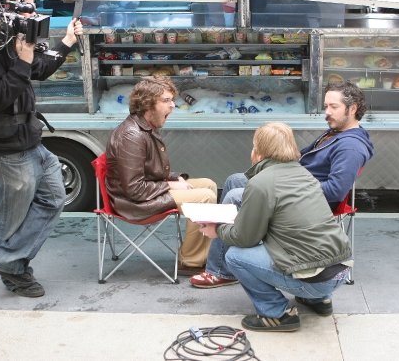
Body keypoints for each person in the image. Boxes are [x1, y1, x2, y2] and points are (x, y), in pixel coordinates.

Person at [0, 0, 84, 297]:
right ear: (6, 7)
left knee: (54, 197)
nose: (32, 15)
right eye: (27, 8)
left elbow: (40, 69)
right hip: (6, 147)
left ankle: (7, 260)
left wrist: (67, 41)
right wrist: (23, 61)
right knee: (13, 217)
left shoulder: (13, 41)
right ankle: (14, 271)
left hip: (30, 140)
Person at [191, 81, 374, 292]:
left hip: (304, 201)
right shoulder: (334, 133)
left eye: (334, 107)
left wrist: (287, 185)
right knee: (236, 180)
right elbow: (301, 158)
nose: (327, 112)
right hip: (292, 186)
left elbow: (336, 190)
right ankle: (228, 253)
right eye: (326, 106)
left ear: (352, 109)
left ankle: (220, 271)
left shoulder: (351, 146)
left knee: (234, 196)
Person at [199, 122, 353, 332]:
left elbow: (246, 239)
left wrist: (216, 230)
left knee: (235, 256)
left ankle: (276, 314)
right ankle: (319, 300)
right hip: (340, 272)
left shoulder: (261, 183)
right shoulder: (305, 174)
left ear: (259, 151)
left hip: (314, 280)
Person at [105, 77, 217, 275]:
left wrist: (174, 178)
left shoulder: (144, 127)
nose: (173, 105)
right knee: (204, 197)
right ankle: (191, 261)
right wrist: (170, 185)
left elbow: (147, 170)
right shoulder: (132, 136)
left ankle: (201, 252)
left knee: (208, 185)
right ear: (147, 104)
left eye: (172, 100)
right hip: (132, 203)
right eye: (166, 100)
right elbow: (134, 189)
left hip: (145, 192)